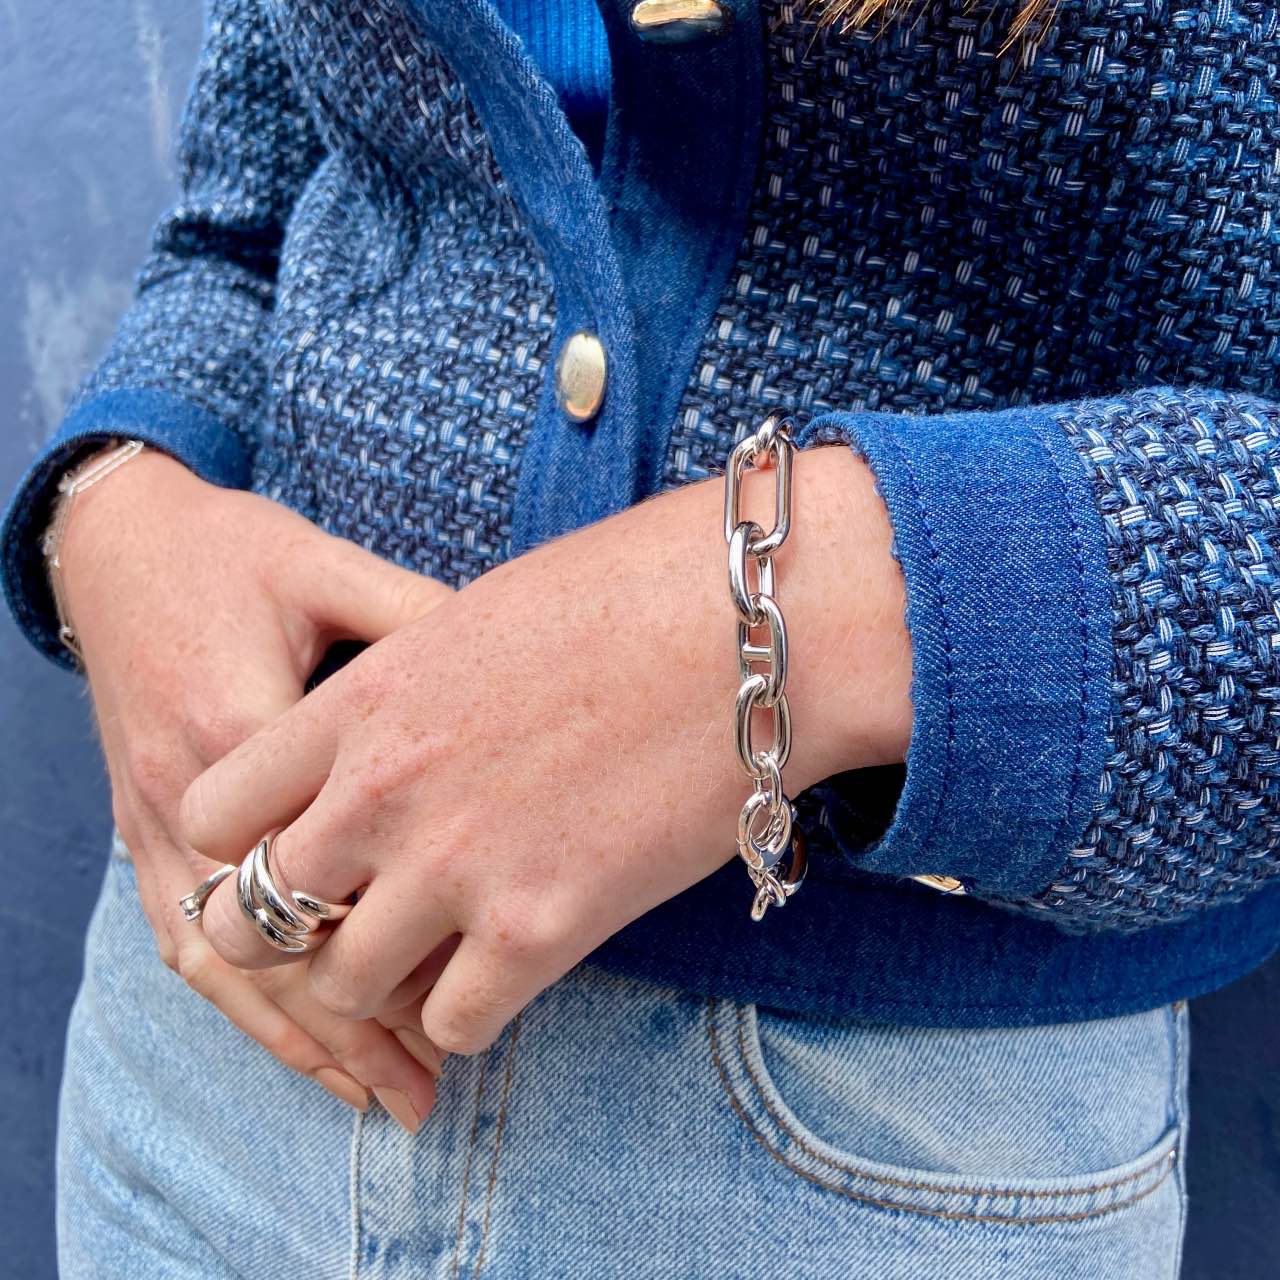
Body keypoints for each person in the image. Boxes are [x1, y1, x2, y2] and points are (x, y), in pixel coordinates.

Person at [4, 0, 1278, 1274]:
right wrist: (118, 498)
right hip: (213, 1036)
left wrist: (846, 596)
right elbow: (244, 220)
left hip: (886, 1148)